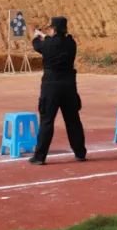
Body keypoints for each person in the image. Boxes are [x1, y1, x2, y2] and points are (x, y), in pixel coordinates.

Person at [28, 17, 87, 165]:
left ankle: (40, 157)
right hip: (69, 86)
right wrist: (45, 36)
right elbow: (55, 41)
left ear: (53, 29)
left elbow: (37, 45)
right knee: (73, 121)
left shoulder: (47, 44)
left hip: (51, 86)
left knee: (47, 122)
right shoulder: (71, 43)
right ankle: (80, 153)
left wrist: (35, 34)